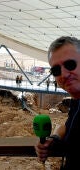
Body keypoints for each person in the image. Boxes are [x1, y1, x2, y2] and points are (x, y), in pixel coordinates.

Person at [34, 36, 80, 169]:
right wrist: (54, 138)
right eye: (56, 70)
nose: (64, 74)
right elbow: (68, 126)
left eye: (70, 64)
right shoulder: (76, 101)